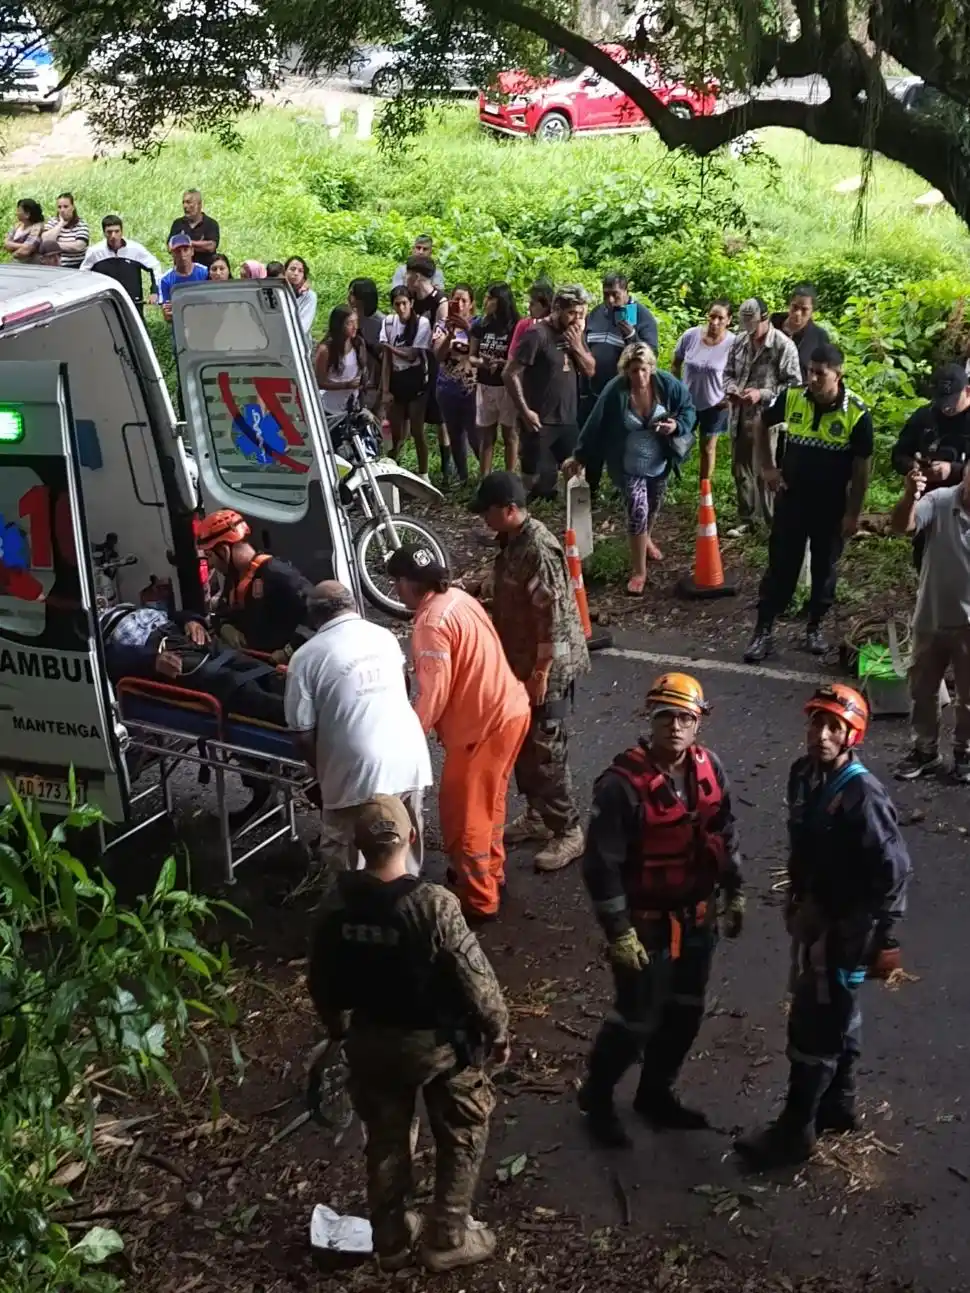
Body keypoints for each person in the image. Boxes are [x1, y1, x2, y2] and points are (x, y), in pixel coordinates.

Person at [307, 793, 507, 1272]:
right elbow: (476, 980)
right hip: (438, 1044)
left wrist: (336, 1030)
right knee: (462, 1129)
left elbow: (321, 979)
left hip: (371, 1040)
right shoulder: (433, 904)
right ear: (412, 836)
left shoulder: (335, 904)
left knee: (386, 1138)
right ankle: (448, 1235)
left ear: (358, 846)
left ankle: (391, 1239)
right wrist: (498, 1030)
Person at [734, 685, 911, 1169]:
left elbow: (894, 869)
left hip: (848, 925)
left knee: (816, 1019)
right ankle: (838, 1105)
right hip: (817, 913)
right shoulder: (803, 774)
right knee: (838, 1009)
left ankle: (795, 1131)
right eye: (817, 723)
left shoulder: (862, 795)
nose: (822, 735)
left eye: (835, 727)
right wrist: (798, 896)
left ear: (854, 735)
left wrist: (885, 936)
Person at [578, 673, 743, 1147]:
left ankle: (655, 1092)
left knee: (685, 1012)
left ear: (698, 723)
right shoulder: (621, 787)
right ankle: (597, 1096)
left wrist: (734, 890)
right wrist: (618, 931)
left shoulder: (710, 769)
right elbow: (601, 865)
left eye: (685, 718)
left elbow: (724, 831)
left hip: (697, 918)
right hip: (646, 926)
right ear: (650, 718)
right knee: (636, 1016)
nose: (675, 726)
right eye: (666, 716)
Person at [388, 545, 531, 923]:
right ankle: (491, 875)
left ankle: (480, 900)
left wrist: (408, 738)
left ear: (406, 583)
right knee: (489, 806)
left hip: (481, 728)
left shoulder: (430, 625)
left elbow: (433, 694)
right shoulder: (457, 599)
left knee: (464, 819)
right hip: (509, 711)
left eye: (396, 582)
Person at [471, 472, 589, 872]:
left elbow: (554, 620)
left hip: (547, 668)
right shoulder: (512, 541)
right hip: (522, 663)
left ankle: (568, 830)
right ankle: (539, 816)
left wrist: (541, 673)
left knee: (545, 753)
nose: (484, 520)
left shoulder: (538, 548)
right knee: (523, 744)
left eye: (488, 512)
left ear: (509, 509)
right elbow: (506, 586)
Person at [285, 584, 432, 875]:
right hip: (408, 753)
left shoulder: (305, 657)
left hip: (356, 768)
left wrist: (324, 770)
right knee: (402, 837)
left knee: (347, 852)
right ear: (352, 604)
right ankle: (406, 891)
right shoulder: (384, 636)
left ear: (314, 616)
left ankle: (354, 898)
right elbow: (403, 685)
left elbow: (301, 733)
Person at [100, 602, 288, 827]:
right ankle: (294, 715)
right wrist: (150, 660)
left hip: (181, 636)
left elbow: (176, 612)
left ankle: (301, 696)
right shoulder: (95, 633)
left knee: (255, 669)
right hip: (158, 653)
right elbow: (109, 661)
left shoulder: (135, 608)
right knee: (227, 681)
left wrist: (192, 620)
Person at [743, 343, 873, 662]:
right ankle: (763, 630)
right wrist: (768, 468)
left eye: (820, 373)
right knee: (780, 567)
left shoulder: (857, 413)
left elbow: (862, 470)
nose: (812, 378)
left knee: (824, 569)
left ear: (838, 375)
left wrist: (853, 514)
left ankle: (814, 627)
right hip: (793, 499)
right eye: (810, 371)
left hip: (831, 506)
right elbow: (761, 422)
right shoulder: (792, 397)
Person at [567, 343, 695, 594]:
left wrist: (676, 425)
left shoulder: (666, 384)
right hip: (628, 464)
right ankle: (639, 571)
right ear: (626, 371)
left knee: (653, 505)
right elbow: (595, 422)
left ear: (652, 368)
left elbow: (688, 409)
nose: (640, 376)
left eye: (644, 370)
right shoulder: (616, 390)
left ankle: (645, 538)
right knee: (638, 508)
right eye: (634, 370)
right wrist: (580, 455)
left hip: (659, 461)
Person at [890, 459, 970, 782]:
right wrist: (910, 496)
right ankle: (925, 751)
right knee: (922, 689)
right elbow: (902, 526)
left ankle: (965, 752)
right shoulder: (940, 500)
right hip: (931, 615)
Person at [505, 286, 596, 500]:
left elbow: (590, 370)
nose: (577, 319)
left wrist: (577, 346)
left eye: (581, 314)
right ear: (556, 309)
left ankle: (574, 516)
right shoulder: (537, 334)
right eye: (571, 313)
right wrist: (525, 411)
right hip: (540, 419)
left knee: (576, 473)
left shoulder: (574, 333)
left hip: (568, 417)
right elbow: (509, 373)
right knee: (539, 485)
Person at [723, 296, 802, 532]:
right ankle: (747, 520)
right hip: (739, 414)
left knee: (764, 471)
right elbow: (727, 373)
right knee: (741, 469)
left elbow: (795, 386)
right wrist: (731, 389)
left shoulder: (783, 345)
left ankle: (773, 523)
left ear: (765, 319)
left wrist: (762, 394)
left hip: (767, 418)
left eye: (754, 325)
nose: (750, 331)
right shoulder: (739, 341)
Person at [196, 509, 313, 657]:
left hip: (285, 665)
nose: (210, 564)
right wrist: (225, 627)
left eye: (209, 555)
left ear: (224, 551)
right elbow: (222, 613)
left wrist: (289, 651)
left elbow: (318, 616)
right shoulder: (234, 579)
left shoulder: (279, 575)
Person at [891, 363, 970, 571]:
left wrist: (952, 470)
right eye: (942, 400)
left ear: (968, 391)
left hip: (965, 508)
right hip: (928, 506)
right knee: (926, 564)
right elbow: (898, 455)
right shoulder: (925, 416)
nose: (946, 407)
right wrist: (914, 466)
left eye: (952, 401)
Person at [672, 299, 735, 483]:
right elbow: (676, 363)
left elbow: (741, 373)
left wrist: (729, 398)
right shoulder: (691, 335)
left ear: (729, 320)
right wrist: (676, 389)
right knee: (677, 439)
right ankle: (667, 478)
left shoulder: (734, 343)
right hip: (687, 402)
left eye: (720, 318)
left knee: (707, 448)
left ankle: (704, 488)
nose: (715, 322)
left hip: (716, 404)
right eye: (712, 316)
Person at [583, 272, 659, 415]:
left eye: (615, 294)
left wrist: (631, 335)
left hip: (624, 397)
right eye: (606, 295)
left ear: (626, 291)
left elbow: (652, 356)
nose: (610, 300)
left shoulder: (641, 316)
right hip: (592, 394)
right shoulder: (597, 312)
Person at [381, 285, 433, 479]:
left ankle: (424, 474)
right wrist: (385, 389)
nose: (401, 308)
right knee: (396, 432)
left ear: (411, 303)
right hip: (397, 378)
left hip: (415, 379)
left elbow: (412, 354)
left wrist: (389, 347)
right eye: (397, 304)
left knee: (417, 431)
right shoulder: (388, 323)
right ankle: (392, 470)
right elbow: (386, 360)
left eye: (404, 303)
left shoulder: (422, 323)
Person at [406, 257, 450, 480]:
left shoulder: (440, 301)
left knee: (440, 418)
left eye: (408, 273)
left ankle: (446, 467)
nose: (405, 278)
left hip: (434, 362)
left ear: (416, 276)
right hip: (414, 361)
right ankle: (421, 467)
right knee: (417, 414)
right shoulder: (410, 298)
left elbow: (441, 333)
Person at [470, 283, 520, 477]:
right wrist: (482, 363)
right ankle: (485, 479)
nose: (486, 301)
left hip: (507, 387)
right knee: (486, 437)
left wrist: (502, 363)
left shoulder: (516, 326)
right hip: (485, 385)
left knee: (510, 435)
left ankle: (510, 479)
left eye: (490, 298)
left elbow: (520, 360)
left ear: (502, 301)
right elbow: (472, 356)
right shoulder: (480, 325)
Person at [434, 284, 478, 484]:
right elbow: (438, 355)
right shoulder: (442, 325)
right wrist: (450, 335)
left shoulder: (478, 325)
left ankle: (485, 475)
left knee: (475, 435)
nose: (459, 304)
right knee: (454, 434)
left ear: (471, 304)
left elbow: (480, 351)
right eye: (456, 300)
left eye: (464, 300)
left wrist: (467, 330)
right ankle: (463, 477)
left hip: (471, 388)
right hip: (447, 387)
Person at [81, 214, 161, 314]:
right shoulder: (95, 252)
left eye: (117, 231)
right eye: (109, 232)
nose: (113, 236)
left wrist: (155, 291)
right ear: (104, 233)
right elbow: (83, 274)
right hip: (105, 304)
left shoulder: (135, 249)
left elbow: (154, 266)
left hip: (133, 304)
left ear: (122, 231)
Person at [770, 284, 830, 381]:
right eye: (795, 307)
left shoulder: (819, 336)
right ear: (789, 305)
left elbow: (823, 371)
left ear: (812, 311)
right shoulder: (773, 324)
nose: (798, 313)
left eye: (804, 309)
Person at [315, 305, 364, 419]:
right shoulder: (326, 350)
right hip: (329, 409)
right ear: (339, 325)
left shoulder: (357, 343)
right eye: (350, 323)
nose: (355, 327)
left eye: (356, 322)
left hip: (351, 406)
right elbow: (319, 382)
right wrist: (346, 385)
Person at [349, 277, 385, 411]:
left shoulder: (380, 322)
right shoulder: (349, 317)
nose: (348, 297)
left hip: (374, 378)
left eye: (352, 294)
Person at [158, 234, 209, 323]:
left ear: (192, 251)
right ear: (172, 254)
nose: (182, 255)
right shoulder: (165, 280)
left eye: (185, 250)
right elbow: (167, 316)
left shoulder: (205, 272)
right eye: (178, 251)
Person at [169, 189, 220, 270]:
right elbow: (170, 247)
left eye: (189, 202)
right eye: (183, 202)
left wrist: (183, 242)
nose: (185, 206)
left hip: (205, 273)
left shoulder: (211, 224)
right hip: (182, 272)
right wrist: (200, 244)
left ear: (199, 204)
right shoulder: (177, 224)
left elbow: (210, 247)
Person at [40, 193, 90, 269]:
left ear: (73, 207)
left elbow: (78, 246)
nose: (62, 210)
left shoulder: (81, 224)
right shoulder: (52, 222)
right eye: (59, 207)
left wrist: (53, 246)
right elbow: (45, 240)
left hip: (76, 267)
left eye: (66, 206)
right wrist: (60, 224)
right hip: (54, 267)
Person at [509, 279, 553, 359]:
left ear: (546, 305)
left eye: (532, 304)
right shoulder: (524, 325)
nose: (529, 308)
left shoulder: (557, 327)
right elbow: (512, 355)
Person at [284, 256, 317, 349]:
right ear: (285, 271)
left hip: (298, 346)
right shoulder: (278, 292)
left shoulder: (309, 296)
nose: (296, 273)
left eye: (300, 271)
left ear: (304, 275)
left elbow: (303, 326)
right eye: (292, 269)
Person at [5, 198, 45, 264]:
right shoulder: (17, 225)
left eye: (19, 211)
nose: (16, 213)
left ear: (27, 214)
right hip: (16, 264)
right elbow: (6, 244)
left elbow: (25, 251)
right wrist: (23, 246)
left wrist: (13, 250)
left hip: (29, 265)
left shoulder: (37, 227)